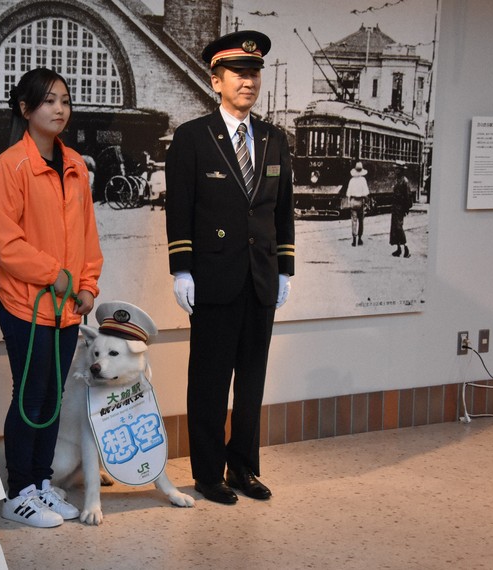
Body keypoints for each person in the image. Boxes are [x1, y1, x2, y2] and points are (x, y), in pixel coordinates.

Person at [164, 30, 295, 505]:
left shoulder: (274, 138)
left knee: (252, 382)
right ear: (215, 79)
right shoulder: (193, 137)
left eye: (255, 72)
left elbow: (283, 211)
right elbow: (179, 207)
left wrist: (284, 269)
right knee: (210, 381)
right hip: (214, 278)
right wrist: (183, 268)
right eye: (239, 73)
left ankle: (243, 467)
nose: (249, 81)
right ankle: (207, 473)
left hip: (260, 278)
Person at [0, 68, 104, 528]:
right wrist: (54, 273)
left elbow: (89, 238)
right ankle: (18, 493)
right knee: (30, 395)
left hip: (68, 307)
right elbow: (4, 242)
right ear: (25, 109)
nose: (59, 109)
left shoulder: (75, 165)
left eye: (65, 101)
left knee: (52, 396)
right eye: (49, 101)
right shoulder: (10, 166)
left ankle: (40, 483)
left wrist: (88, 283)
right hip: (23, 304)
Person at [390, 161, 413, 257]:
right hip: (395, 206)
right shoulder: (397, 180)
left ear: (401, 170)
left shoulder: (404, 181)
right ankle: (398, 249)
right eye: (395, 169)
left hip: (400, 207)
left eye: (397, 169)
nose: (395, 170)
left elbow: (407, 196)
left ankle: (406, 248)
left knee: (399, 227)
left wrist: (406, 208)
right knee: (395, 227)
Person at [345, 161, 369, 246]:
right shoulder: (363, 180)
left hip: (353, 202)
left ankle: (354, 239)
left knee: (353, 221)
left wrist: (349, 202)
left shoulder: (351, 180)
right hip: (360, 202)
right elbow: (366, 193)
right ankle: (360, 239)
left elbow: (348, 193)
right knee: (361, 221)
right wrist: (366, 202)